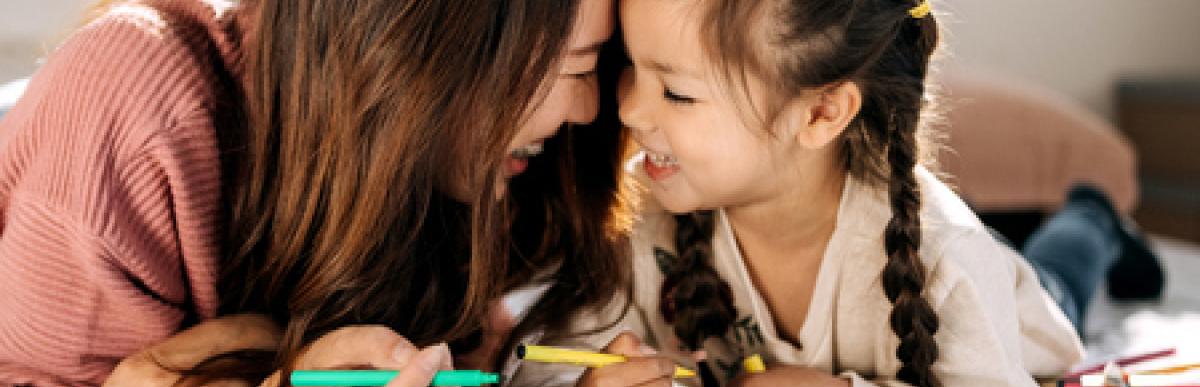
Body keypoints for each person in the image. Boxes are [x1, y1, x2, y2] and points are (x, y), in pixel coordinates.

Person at [0, 0, 635, 385]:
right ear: (413, 48)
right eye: (576, 67)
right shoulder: (135, 107)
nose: (586, 107)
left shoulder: (481, 181)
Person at [527, 0, 1100, 386]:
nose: (627, 108)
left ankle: (1092, 221)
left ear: (822, 112)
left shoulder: (952, 264)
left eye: (676, 93)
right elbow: (547, 359)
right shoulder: (639, 217)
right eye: (631, 67)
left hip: (1019, 310)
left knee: (1061, 273)